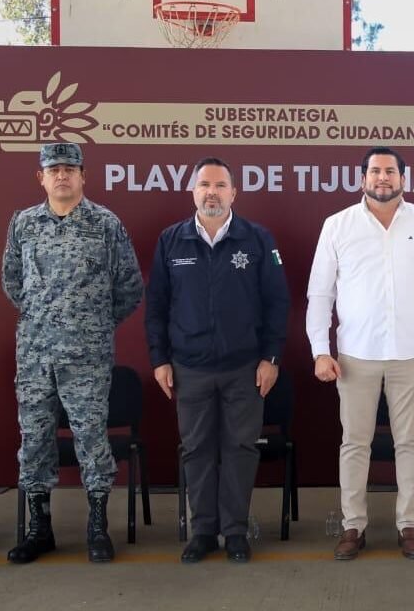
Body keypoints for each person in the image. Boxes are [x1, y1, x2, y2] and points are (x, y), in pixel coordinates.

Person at [306, 146, 414, 560]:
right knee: (354, 444)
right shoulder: (337, 226)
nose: (382, 178)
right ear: (362, 179)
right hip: (354, 356)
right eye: (375, 171)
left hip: (410, 353)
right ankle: (353, 527)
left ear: (403, 179)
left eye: (390, 172)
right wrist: (320, 351)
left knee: (409, 441)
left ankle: (408, 524)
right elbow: (320, 294)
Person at [1, 142, 144, 564]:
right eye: (53, 169)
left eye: (70, 168)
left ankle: (98, 527)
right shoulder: (23, 224)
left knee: (91, 440)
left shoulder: (105, 224)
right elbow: (12, 280)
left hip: (87, 356)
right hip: (34, 357)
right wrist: (44, 319)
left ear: (83, 175)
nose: (61, 175)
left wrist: (93, 324)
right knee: (35, 440)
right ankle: (38, 529)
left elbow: (130, 286)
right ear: (41, 177)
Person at [146, 157, 291, 563]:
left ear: (233, 193)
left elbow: (277, 303)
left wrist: (271, 357)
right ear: (193, 192)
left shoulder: (257, 239)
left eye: (220, 185)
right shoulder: (171, 241)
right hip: (189, 367)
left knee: (241, 449)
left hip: (245, 367)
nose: (212, 192)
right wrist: (160, 359)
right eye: (204, 185)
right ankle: (204, 532)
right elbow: (156, 305)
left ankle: (236, 532)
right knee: (197, 450)